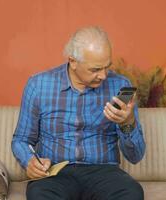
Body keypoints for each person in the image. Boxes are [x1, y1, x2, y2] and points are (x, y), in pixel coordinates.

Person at [12, 26, 145, 200]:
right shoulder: (38, 85)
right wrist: (29, 161)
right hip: (56, 173)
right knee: (39, 195)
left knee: (132, 193)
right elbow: (21, 139)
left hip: (104, 172)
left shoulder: (120, 85)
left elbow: (135, 156)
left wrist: (128, 122)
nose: (104, 76)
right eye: (95, 69)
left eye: (107, 67)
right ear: (72, 61)